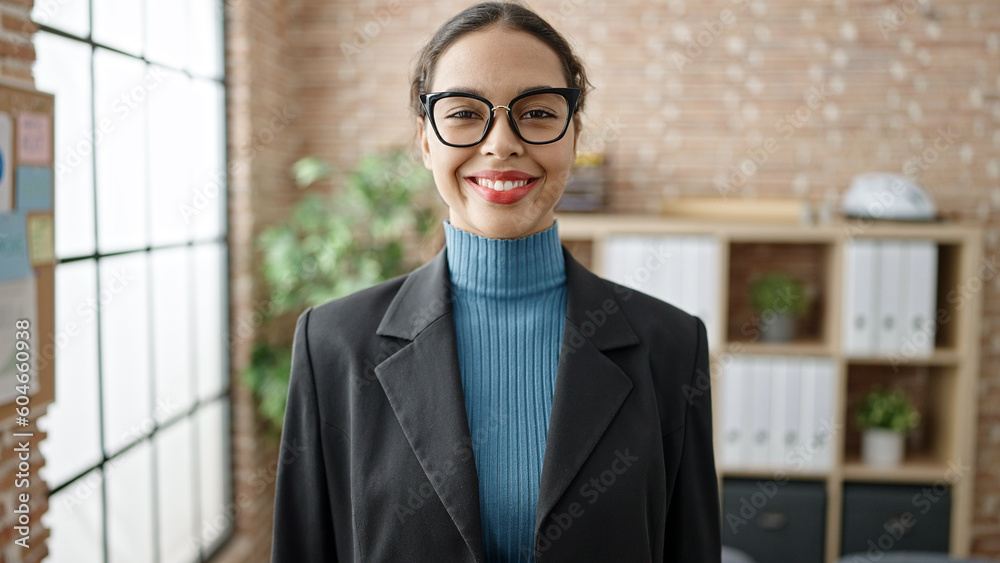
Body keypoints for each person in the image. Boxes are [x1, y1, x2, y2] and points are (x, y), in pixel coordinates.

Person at [270, 2, 721, 561]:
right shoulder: (331, 345)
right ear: (426, 139)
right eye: (463, 112)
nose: (502, 143)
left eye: (536, 113)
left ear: (573, 134)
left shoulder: (671, 346)